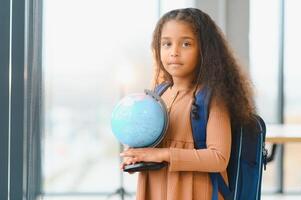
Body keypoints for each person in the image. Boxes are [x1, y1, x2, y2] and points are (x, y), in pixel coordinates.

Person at [120, 8, 255, 200]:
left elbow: (218, 158)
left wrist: (162, 155)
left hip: (196, 192)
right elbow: (154, 150)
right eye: (166, 44)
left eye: (186, 44)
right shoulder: (158, 95)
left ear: (204, 50)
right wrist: (140, 158)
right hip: (156, 188)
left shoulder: (212, 97)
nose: (174, 52)